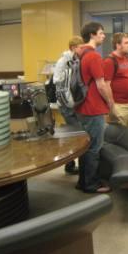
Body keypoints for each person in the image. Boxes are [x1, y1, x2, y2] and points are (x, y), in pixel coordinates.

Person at [75, 22, 110, 194]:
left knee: (86, 147)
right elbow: (101, 85)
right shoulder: (94, 56)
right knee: (94, 147)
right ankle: (91, 184)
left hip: (82, 107)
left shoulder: (80, 53)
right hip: (93, 107)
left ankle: (83, 181)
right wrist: (110, 103)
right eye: (101, 33)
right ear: (92, 35)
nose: (103, 36)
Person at [53, 35, 84, 175]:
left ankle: (69, 164)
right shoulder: (63, 61)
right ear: (73, 47)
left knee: (73, 133)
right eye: (80, 47)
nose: (82, 49)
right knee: (76, 133)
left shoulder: (75, 60)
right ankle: (70, 164)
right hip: (66, 103)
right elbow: (57, 81)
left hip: (73, 102)